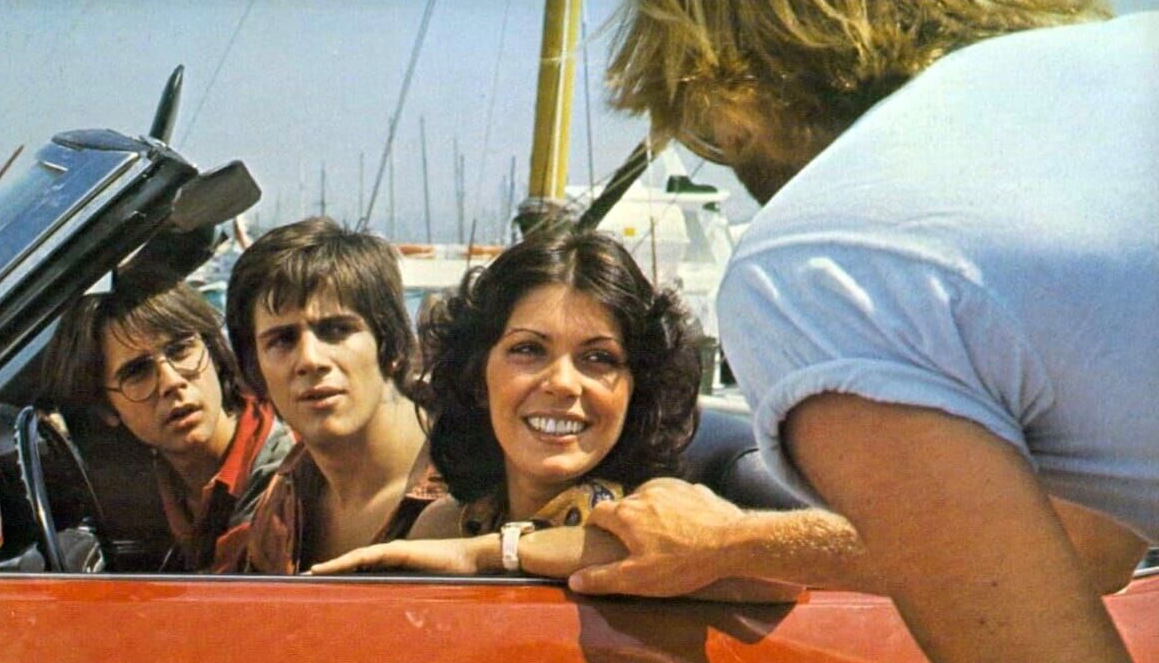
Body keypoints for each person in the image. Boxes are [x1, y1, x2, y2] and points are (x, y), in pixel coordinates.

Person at [568, 0, 1158, 663]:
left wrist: (727, 541)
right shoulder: (1120, 65)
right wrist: (731, 542)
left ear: (732, 103)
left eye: (703, 134)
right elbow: (1085, 543)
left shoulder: (820, 265)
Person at [311, 229, 833, 602]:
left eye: (598, 358)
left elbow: (777, 577)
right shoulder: (446, 524)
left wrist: (491, 554)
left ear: (635, 389)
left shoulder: (667, 511)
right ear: (478, 375)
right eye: (527, 350)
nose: (562, 382)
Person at [224, 217, 445, 572]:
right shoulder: (283, 498)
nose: (310, 360)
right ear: (255, 368)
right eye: (282, 340)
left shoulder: (479, 485)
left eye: (337, 330)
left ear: (389, 343)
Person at [42, 270, 292, 573]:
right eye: (138, 372)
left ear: (212, 353)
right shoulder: (147, 489)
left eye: (180, 349)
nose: (171, 381)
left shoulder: (284, 473)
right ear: (106, 408)